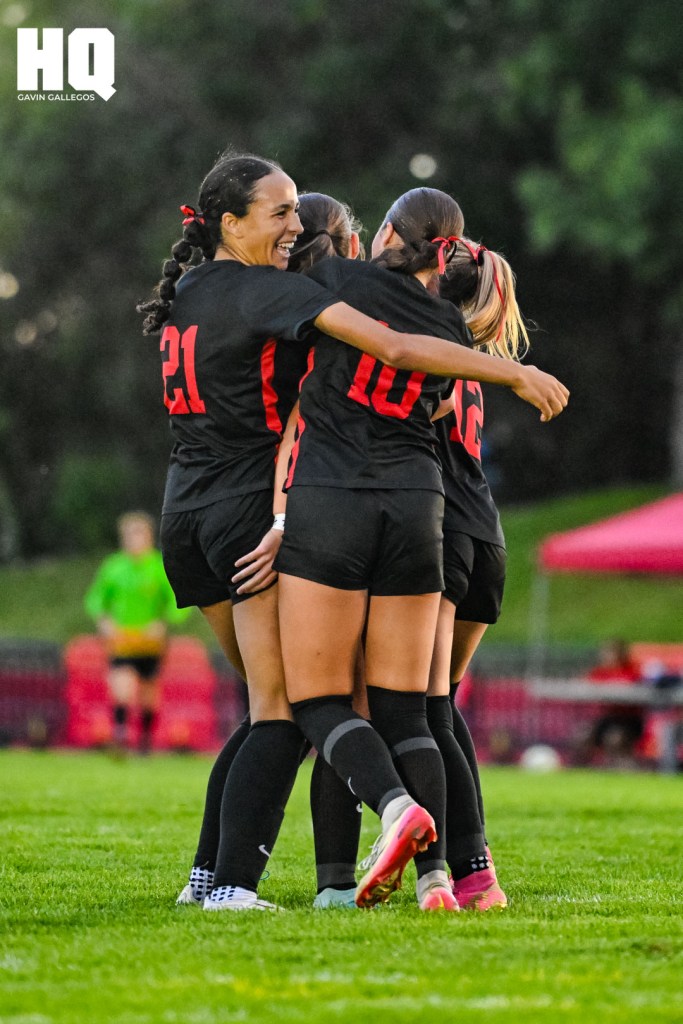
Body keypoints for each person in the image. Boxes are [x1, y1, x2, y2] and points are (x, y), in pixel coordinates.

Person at [138, 150, 568, 912]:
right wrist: (507, 370)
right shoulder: (285, 293)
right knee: (325, 708)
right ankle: (396, 860)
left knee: (281, 707)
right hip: (294, 508)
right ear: (229, 223)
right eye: (279, 212)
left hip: (190, 506)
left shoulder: (197, 287)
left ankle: (220, 880)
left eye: (299, 215)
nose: (293, 226)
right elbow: (390, 358)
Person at [276, 189, 569, 911]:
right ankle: (454, 876)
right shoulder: (451, 332)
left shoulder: (336, 282)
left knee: (332, 701)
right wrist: (510, 368)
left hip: (352, 501)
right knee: (425, 712)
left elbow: (378, 352)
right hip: (445, 519)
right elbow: (424, 380)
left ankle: (350, 868)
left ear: (382, 235)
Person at [84, 510, 188, 754]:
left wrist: (163, 623)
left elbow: (178, 601)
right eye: (130, 535)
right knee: (122, 685)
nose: (134, 540)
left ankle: (145, 741)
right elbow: (95, 599)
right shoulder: (114, 567)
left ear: (149, 537)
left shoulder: (159, 566)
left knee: (149, 692)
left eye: (139, 534)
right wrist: (104, 620)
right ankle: (120, 735)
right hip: (121, 639)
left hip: (150, 642)